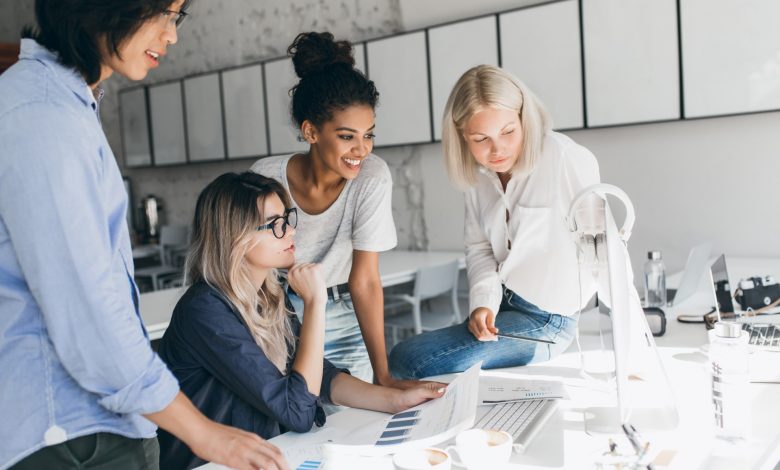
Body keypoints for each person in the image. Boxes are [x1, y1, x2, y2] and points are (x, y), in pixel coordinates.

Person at [0, 2, 287, 469]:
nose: (171, 36)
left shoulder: (62, 104)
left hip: (93, 426)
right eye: (164, 14)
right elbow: (88, 309)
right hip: (73, 438)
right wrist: (203, 434)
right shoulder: (43, 116)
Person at [156, 172, 445, 468]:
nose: (291, 231)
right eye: (274, 225)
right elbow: (297, 411)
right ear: (234, 236)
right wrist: (316, 302)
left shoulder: (267, 295)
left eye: (287, 219)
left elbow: (319, 375)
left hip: (265, 453)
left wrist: (392, 400)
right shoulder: (204, 311)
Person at [389, 65, 601, 379]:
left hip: (548, 322)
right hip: (503, 306)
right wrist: (482, 305)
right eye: (480, 139)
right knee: (404, 358)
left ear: (524, 118)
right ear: (462, 135)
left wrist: (635, 350)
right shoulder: (478, 178)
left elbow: (604, 250)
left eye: (507, 132)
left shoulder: (565, 158)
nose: (497, 149)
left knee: (409, 360)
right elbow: (480, 249)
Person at [251, 32, 411, 388]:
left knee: (355, 428)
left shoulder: (371, 178)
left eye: (368, 134)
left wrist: (382, 374)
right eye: (346, 136)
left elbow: (366, 280)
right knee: (293, 422)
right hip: (280, 319)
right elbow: (250, 265)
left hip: (343, 315)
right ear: (311, 131)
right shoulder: (265, 177)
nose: (362, 148)